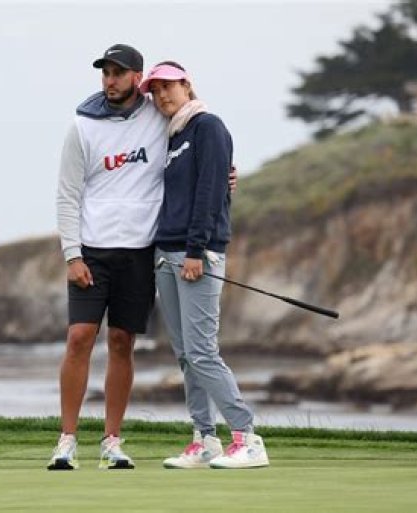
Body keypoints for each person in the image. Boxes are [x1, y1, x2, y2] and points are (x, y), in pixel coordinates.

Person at [51, 45, 237, 471]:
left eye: (118, 73)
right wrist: (71, 254)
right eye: (105, 73)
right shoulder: (82, 126)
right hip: (91, 252)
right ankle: (66, 441)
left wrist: (227, 173)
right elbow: (67, 194)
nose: (110, 80)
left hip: (141, 253)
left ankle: (112, 442)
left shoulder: (161, 116)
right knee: (79, 338)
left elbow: (198, 152)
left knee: (122, 343)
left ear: (138, 78)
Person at [140, 61, 269, 469]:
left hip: (197, 254)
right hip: (166, 254)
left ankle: (247, 437)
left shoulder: (207, 126)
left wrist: (196, 250)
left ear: (186, 85)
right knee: (185, 355)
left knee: (202, 352)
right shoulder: (170, 137)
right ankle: (205, 438)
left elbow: (210, 191)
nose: (161, 95)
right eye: (155, 90)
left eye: (168, 86)